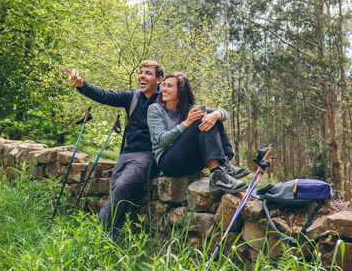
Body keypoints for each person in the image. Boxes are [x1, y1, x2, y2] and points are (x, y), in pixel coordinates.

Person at [65, 60, 163, 238]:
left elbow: (189, 108)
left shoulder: (168, 99)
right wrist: (82, 85)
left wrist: (218, 113)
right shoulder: (131, 97)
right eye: (141, 72)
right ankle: (109, 241)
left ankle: (96, 237)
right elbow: (105, 95)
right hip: (126, 154)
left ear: (159, 80)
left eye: (148, 73)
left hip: (148, 155)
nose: (142, 75)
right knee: (117, 192)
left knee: (121, 187)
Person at [147, 72, 249, 193]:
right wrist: (187, 122)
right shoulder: (155, 109)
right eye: (164, 85)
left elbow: (223, 113)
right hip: (169, 163)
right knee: (201, 119)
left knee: (210, 118)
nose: (164, 89)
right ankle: (217, 176)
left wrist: (217, 114)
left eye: (170, 86)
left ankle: (224, 166)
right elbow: (162, 140)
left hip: (192, 163)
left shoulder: (190, 109)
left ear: (181, 91)